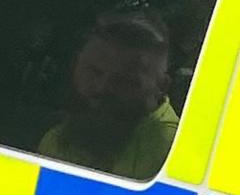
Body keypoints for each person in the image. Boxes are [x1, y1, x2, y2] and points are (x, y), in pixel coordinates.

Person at [36, 13, 180, 178]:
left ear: (161, 86)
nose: (102, 88)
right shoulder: (56, 139)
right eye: (94, 71)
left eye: (125, 81)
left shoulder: (173, 153)